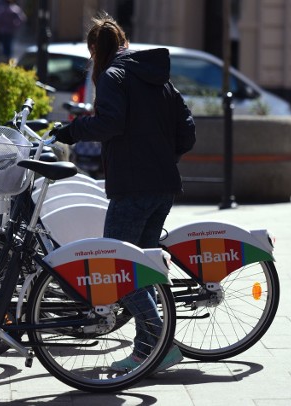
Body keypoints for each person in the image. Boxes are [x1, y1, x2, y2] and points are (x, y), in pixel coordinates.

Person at [51, 12, 196, 373]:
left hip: (133, 187)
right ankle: (150, 350)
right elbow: (188, 131)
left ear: (95, 51)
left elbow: (111, 122)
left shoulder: (114, 76)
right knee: (141, 270)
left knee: (119, 269)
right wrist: (163, 158)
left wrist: (71, 131)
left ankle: (159, 345)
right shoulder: (158, 79)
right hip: (162, 185)